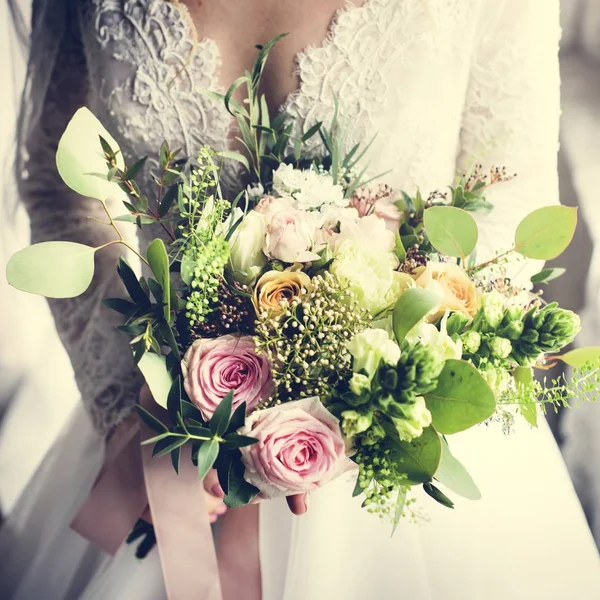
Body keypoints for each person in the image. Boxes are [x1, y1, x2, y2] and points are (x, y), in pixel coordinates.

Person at [1, 0, 599, 598]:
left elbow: (512, 204)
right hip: (164, 432)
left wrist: (360, 406)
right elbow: (59, 188)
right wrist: (125, 409)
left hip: (397, 438)